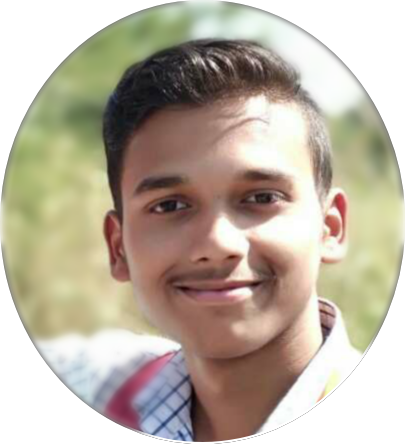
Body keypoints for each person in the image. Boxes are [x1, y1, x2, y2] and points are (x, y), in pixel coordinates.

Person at [36, 38, 362, 441]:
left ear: (330, 227)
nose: (217, 243)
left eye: (262, 198)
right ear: (118, 248)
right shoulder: (101, 385)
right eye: (170, 205)